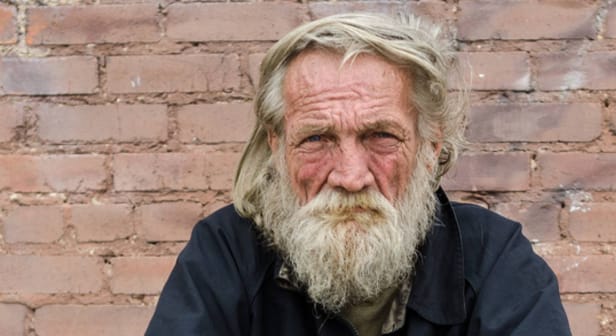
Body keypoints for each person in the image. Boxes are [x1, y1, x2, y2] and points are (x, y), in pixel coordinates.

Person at [146, 13, 571, 336]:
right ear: (278, 147)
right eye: (316, 139)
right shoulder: (227, 253)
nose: (350, 177)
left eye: (381, 136)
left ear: (430, 146)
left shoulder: (494, 260)